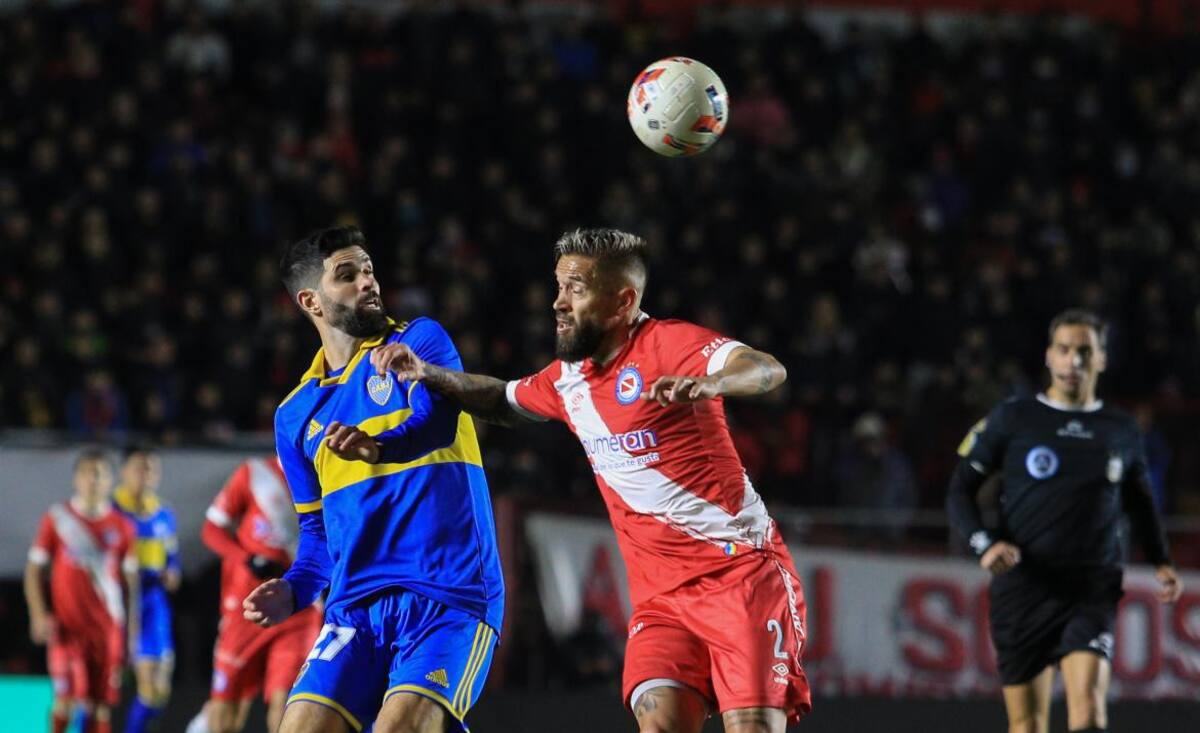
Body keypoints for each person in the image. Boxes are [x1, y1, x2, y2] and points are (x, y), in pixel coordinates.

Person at [373, 228, 811, 733]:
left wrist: (713, 382)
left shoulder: (669, 344)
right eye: (559, 287)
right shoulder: (568, 378)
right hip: (660, 603)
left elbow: (766, 368)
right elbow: (503, 399)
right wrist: (429, 374)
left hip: (741, 577)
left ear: (623, 301)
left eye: (575, 289)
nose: (558, 302)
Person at [242, 225, 504, 733]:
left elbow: (435, 424)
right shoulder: (294, 415)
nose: (368, 281)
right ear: (311, 302)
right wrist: (294, 590)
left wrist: (379, 447)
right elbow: (318, 536)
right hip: (353, 610)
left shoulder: (417, 342)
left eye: (368, 269)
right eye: (347, 275)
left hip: (449, 594)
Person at [947, 308, 1183, 733]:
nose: (1073, 360)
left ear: (1102, 359)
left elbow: (1139, 500)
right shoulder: (1014, 418)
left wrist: (1161, 559)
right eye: (1064, 349)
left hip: (1090, 586)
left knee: (1088, 711)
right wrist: (985, 543)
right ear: (1049, 356)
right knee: (1028, 725)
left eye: (1084, 351)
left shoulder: (1122, 429)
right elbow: (960, 490)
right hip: (1024, 587)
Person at [197, 455, 323, 733]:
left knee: (288, 706)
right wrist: (247, 559)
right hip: (248, 607)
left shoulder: (328, 475)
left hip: (298, 608)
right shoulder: (255, 473)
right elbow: (212, 529)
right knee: (225, 716)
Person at [24, 449, 138, 733]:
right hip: (67, 628)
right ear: (76, 479)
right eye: (87, 474)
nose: (93, 480)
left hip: (107, 630)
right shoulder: (57, 518)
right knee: (65, 701)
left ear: (111, 481)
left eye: (100, 474)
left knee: (99, 706)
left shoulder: (123, 526)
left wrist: (131, 634)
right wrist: (38, 614)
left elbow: (130, 584)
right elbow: (34, 570)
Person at [113, 446, 180, 733]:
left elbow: (173, 560)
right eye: (140, 468)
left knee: (159, 690)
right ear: (124, 472)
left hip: (153, 605)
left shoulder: (164, 514)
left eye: (152, 469)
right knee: (102, 690)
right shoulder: (112, 511)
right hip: (118, 605)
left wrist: (171, 574)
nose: (146, 475)